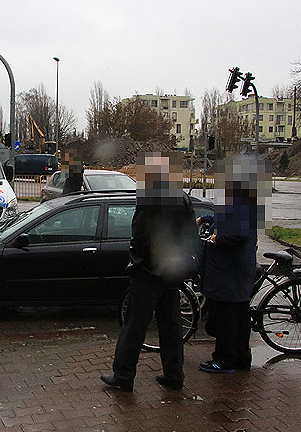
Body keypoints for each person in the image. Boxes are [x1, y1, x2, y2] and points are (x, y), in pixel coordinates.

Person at [101, 152, 199, 391]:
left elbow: (140, 235)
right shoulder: (182, 198)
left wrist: (138, 260)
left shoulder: (150, 197)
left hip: (148, 272)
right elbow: (190, 236)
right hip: (171, 272)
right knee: (171, 326)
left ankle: (123, 376)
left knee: (134, 325)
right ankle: (174, 375)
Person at [197, 156, 265, 374]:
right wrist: (206, 219)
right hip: (236, 271)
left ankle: (224, 361)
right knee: (240, 317)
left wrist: (217, 240)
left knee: (228, 319)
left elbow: (238, 234)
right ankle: (241, 359)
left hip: (230, 272)